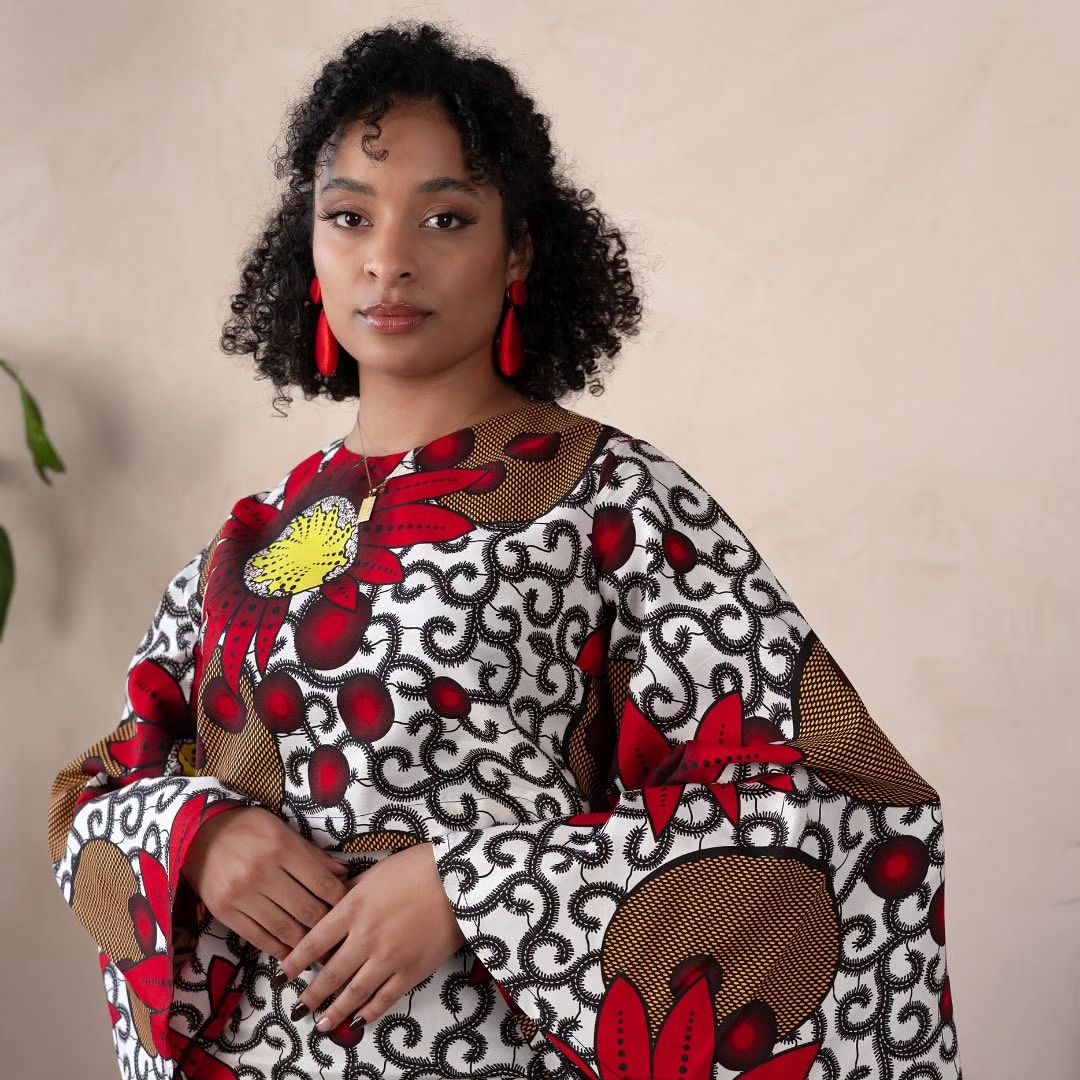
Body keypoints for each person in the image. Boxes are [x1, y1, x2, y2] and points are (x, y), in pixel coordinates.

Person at [46, 20, 961, 1080]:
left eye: (445, 216)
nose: (389, 258)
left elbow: (839, 807)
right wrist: (196, 835)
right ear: (308, 249)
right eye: (349, 218)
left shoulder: (612, 498)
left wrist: (474, 887)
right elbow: (99, 792)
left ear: (517, 247)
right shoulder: (252, 541)